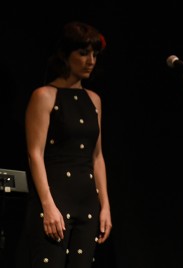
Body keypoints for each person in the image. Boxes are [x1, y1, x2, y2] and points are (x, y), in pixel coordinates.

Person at [18, 21, 112, 267]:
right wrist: (48, 205)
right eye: (82, 54)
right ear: (65, 55)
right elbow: (34, 154)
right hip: (54, 198)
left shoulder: (94, 100)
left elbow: (97, 156)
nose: (90, 60)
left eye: (94, 54)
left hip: (87, 202)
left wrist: (105, 206)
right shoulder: (44, 96)